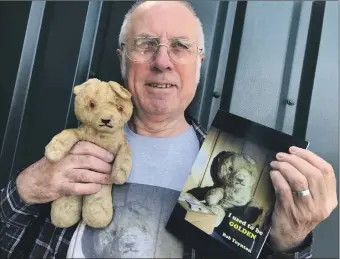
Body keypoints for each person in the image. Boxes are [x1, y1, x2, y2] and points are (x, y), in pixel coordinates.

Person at [0, 1, 337, 258]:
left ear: (199, 63)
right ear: (122, 60)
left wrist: (290, 242)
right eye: (145, 44)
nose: (162, 61)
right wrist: (29, 187)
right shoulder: (70, 150)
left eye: (180, 46)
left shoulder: (228, 170)